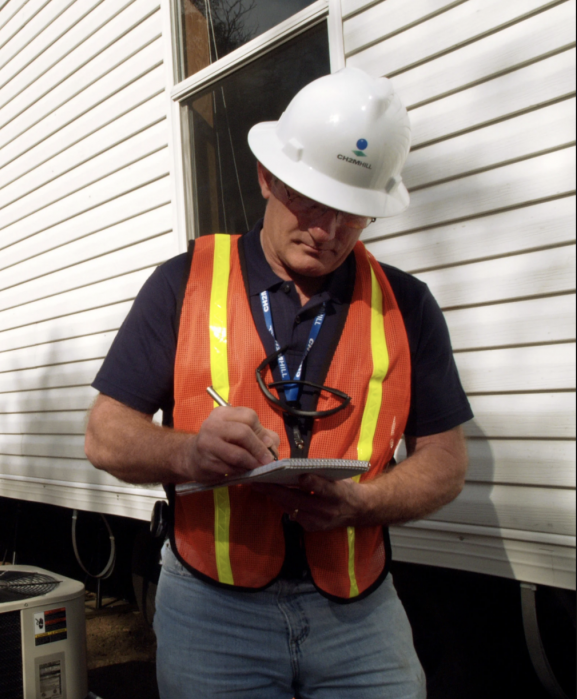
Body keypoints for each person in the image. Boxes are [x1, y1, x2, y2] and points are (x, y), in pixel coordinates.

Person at [84, 67, 472, 699]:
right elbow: (105, 435)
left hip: (361, 613)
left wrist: (363, 505)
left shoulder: (408, 304)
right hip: (213, 613)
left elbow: (447, 462)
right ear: (267, 177)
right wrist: (188, 452)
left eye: (354, 214)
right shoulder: (183, 284)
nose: (328, 231)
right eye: (311, 201)